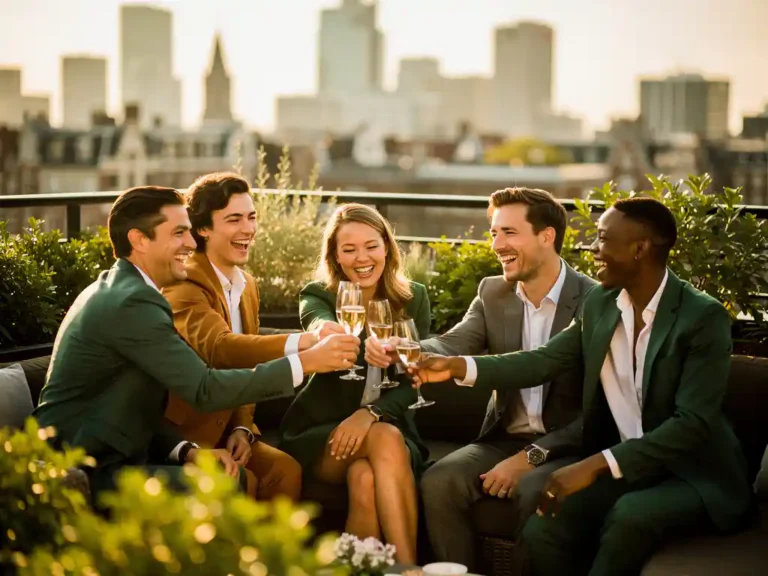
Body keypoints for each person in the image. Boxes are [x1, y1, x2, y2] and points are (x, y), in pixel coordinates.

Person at [409, 198, 752, 576]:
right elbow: (542, 361)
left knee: (629, 515)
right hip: (626, 467)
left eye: (603, 239)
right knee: (545, 524)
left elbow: (692, 425)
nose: (593, 249)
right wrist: (455, 365)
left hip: (690, 472)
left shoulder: (702, 316)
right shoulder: (601, 304)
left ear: (639, 249)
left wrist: (595, 465)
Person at [33, 186, 360, 500]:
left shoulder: (128, 290)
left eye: (189, 231)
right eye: (178, 233)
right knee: (222, 486)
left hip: (113, 455)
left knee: (247, 475)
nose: (191, 242)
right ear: (139, 240)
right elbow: (205, 388)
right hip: (80, 472)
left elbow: (138, 407)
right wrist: (306, 361)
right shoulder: (131, 302)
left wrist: (186, 452)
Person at [365, 187, 595, 570]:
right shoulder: (493, 292)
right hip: (503, 438)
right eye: (493, 233)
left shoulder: (593, 300)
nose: (496, 244)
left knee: (533, 490)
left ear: (547, 236)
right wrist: (405, 347)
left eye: (509, 233)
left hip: (571, 445)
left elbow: (600, 407)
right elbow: (453, 341)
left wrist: (532, 457)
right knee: (440, 481)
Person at [278, 203, 430, 565]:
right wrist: (335, 335)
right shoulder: (318, 294)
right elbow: (319, 323)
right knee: (383, 438)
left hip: (388, 431)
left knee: (365, 476)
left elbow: (415, 377)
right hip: (320, 434)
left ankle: (358, 570)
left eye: (371, 246)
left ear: (387, 248)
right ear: (335, 255)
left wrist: (371, 413)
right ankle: (409, 570)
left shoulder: (414, 298)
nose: (362, 257)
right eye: (349, 249)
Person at [163, 172, 322, 501]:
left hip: (226, 429)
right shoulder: (183, 283)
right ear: (203, 228)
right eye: (234, 219)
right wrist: (303, 344)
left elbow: (249, 363)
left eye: (251, 217)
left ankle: (271, 554)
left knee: (285, 471)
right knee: (245, 481)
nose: (247, 229)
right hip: (181, 437)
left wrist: (241, 427)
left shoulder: (247, 285)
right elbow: (221, 349)